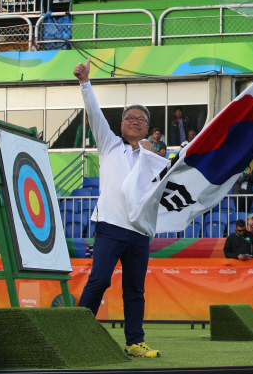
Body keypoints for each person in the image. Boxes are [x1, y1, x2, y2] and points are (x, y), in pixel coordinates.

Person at [73, 58, 166, 358]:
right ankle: (77, 333)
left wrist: (150, 156)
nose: (136, 121)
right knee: (99, 279)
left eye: (141, 119)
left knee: (134, 291)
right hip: (111, 227)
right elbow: (94, 113)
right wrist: (85, 83)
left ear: (149, 128)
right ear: (121, 124)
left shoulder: (155, 158)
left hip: (139, 232)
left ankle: (134, 341)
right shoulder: (108, 143)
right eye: (130, 117)